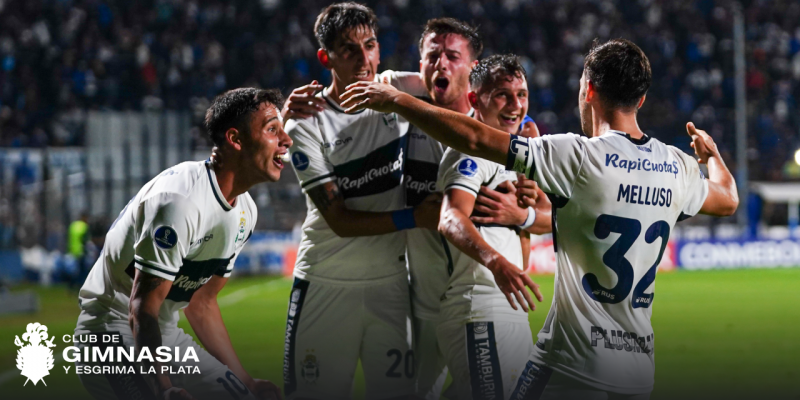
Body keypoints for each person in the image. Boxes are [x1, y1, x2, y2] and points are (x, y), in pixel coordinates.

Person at [340, 38, 738, 399]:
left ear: (588, 90)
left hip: (570, 365)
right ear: (642, 98)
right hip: (636, 372)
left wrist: (398, 101)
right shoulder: (676, 166)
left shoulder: (577, 156)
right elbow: (728, 199)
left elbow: (475, 138)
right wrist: (711, 156)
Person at [74, 88, 289, 400]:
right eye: (272, 129)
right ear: (236, 139)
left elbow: (202, 303)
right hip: (110, 331)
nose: (286, 140)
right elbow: (142, 307)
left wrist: (247, 381)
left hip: (164, 334)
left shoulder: (246, 212)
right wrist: (164, 387)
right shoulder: (179, 200)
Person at [281, 3, 438, 399]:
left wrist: (521, 123)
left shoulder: (397, 89)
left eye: (369, 46)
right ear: (326, 58)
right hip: (326, 283)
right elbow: (339, 220)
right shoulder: (306, 121)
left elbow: (458, 81)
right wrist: (415, 217)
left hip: (392, 287)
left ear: (379, 49)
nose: (363, 59)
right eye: (348, 49)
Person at [435, 54, 551, 400]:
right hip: (480, 306)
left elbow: (551, 217)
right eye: (502, 95)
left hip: (503, 307)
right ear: (475, 99)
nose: (515, 105)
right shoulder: (471, 153)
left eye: (522, 94)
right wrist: (496, 262)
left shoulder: (513, 152)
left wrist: (522, 216)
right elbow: (450, 218)